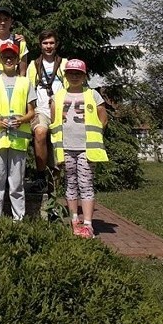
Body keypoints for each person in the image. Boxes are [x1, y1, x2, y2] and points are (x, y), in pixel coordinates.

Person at [49, 59, 109, 238]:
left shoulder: (92, 95)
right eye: (70, 73)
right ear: (65, 75)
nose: (74, 76)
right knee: (71, 184)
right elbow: (53, 120)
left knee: (86, 183)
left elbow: (103, 118)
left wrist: (95, 137)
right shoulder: (58, 96)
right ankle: (74, 219)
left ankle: (88, 223)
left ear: (84, 76)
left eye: (78, 73)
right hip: (66, 147)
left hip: (86, 148)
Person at [0, 42, 36, 220]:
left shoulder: (25, 82)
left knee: (17, 182)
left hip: (18, 140)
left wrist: (22, 120)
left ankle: (18, 219)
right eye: (5, 56)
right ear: (0, 59)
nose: (9, 59)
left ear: (18, 60)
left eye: (12, 56)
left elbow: (32, 111)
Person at [26, 29, 68, 194]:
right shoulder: (33, 65)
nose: (48, 46)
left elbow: (70, 88)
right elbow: (28, 90)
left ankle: (54, 193)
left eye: (51, 43)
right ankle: (40, 175)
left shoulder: (64, 64)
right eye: (45, 43)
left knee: (57, 153)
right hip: (41, 109)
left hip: (60, 110)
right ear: (40, 45)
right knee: (41, 132)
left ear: (56, 44)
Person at [0, 7, 28, 75]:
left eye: (6, 19)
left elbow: (23, 71)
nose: (2, 23)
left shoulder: (19, 42)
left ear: (11, 21)